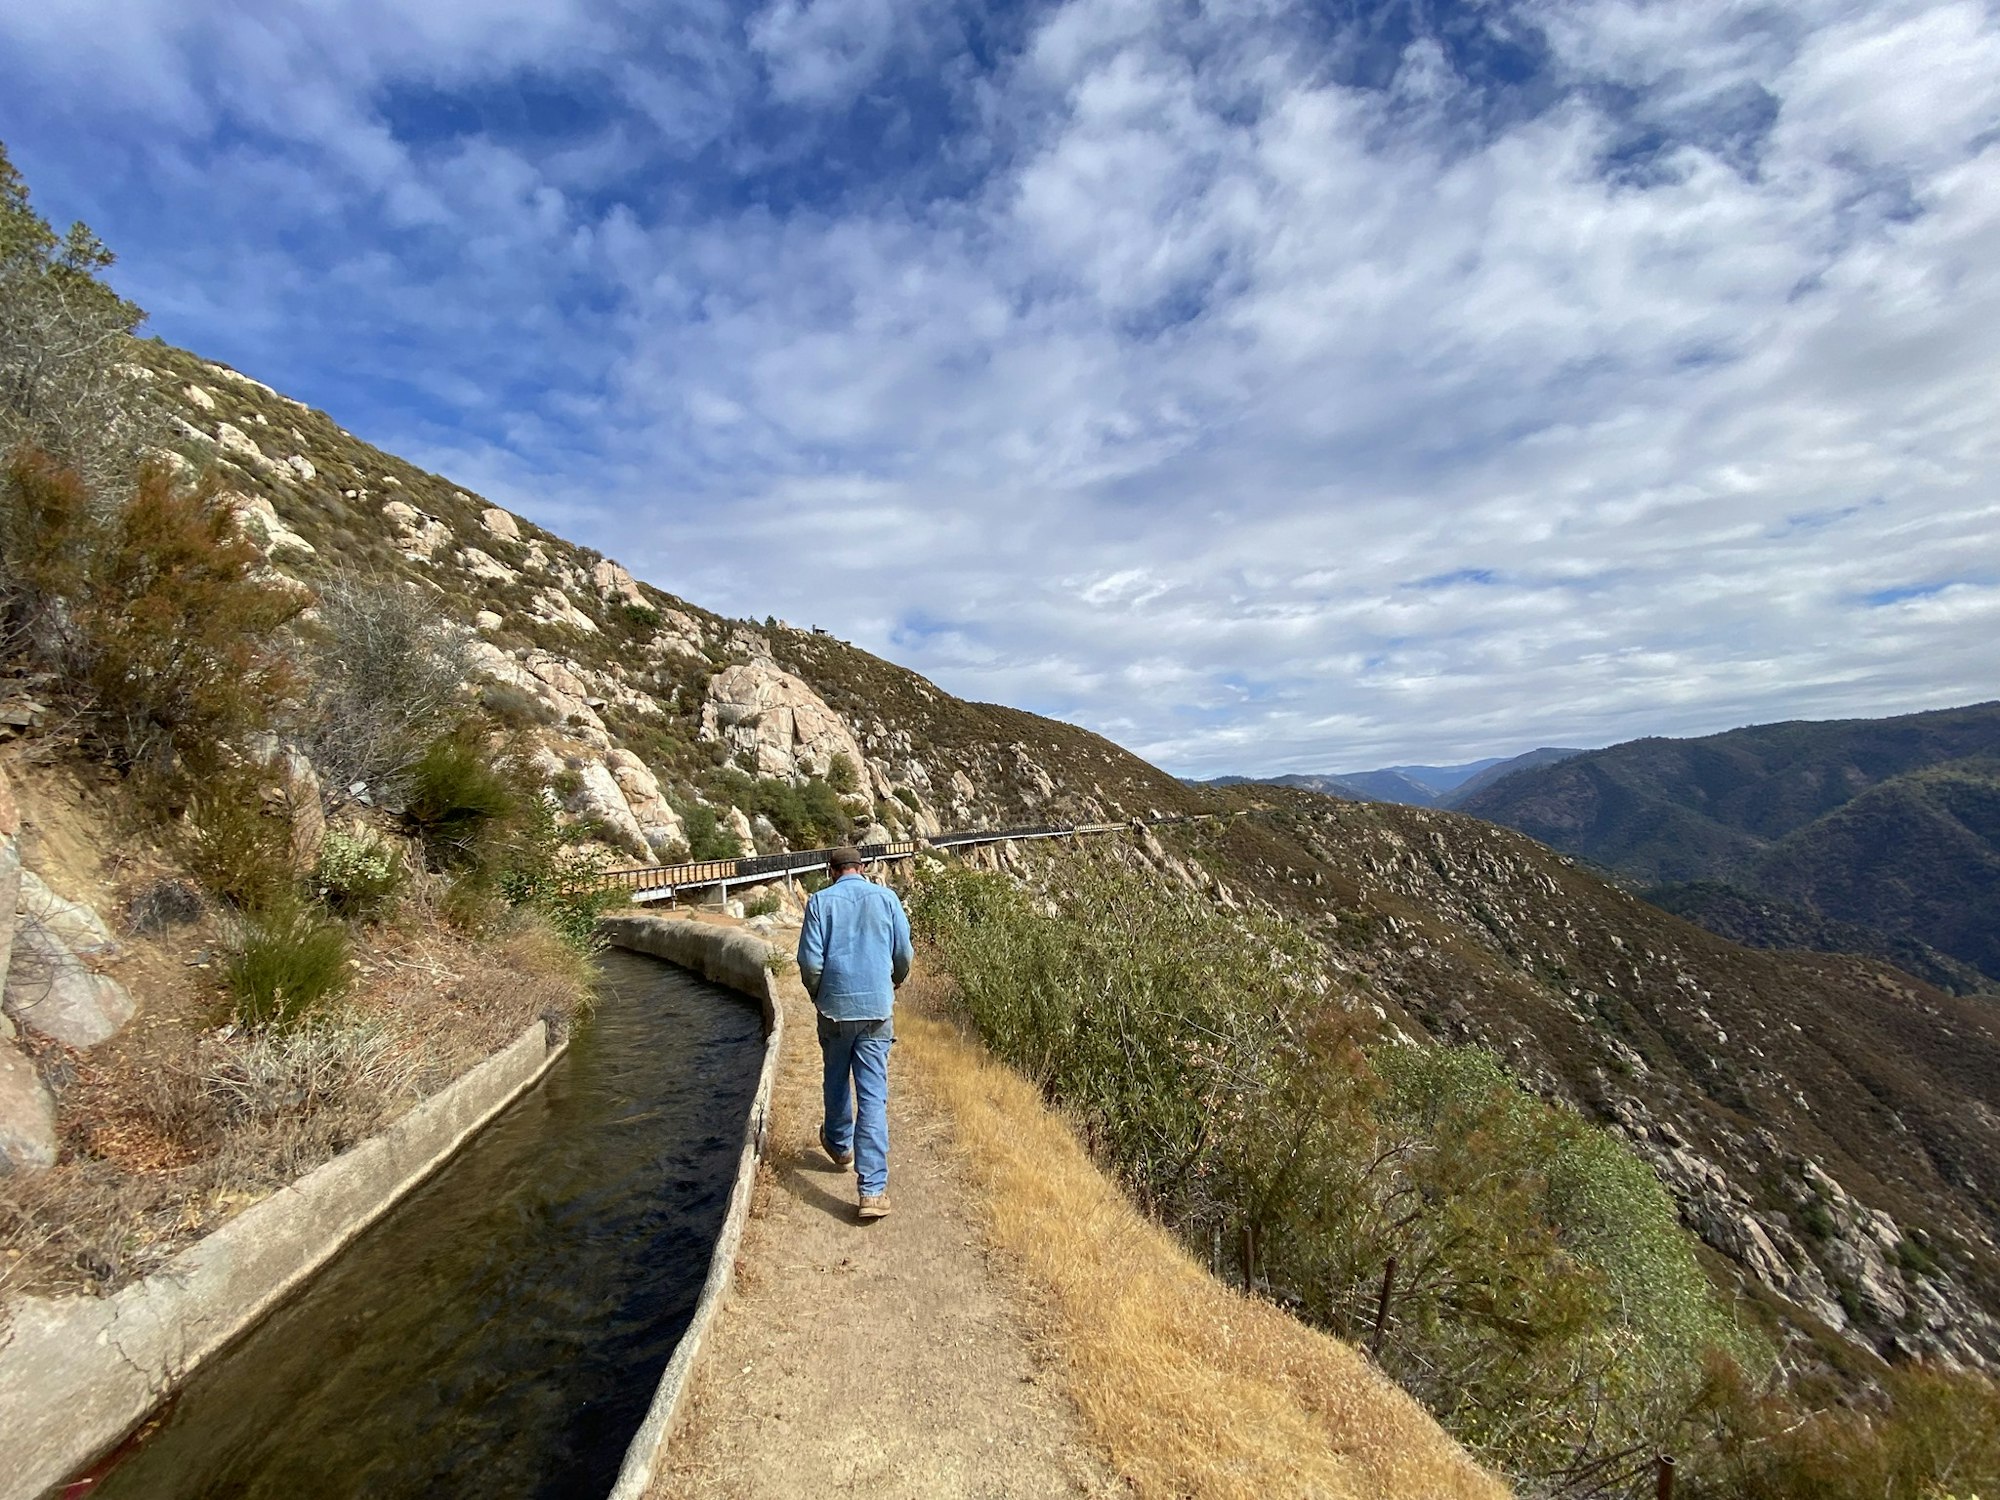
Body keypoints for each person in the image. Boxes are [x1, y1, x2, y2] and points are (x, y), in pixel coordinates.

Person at [796, 845, 912, 1220]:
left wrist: (818, 993)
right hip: (877, 1010)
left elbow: (810, 961)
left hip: (834, 1010)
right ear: (861, 868)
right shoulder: (887, 898)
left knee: (835, 1079)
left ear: (831, 871)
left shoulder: (819, 902)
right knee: (873, 1096)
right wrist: (891, 982)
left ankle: (839, 1144)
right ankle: (872, 1192)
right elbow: (903, 954)